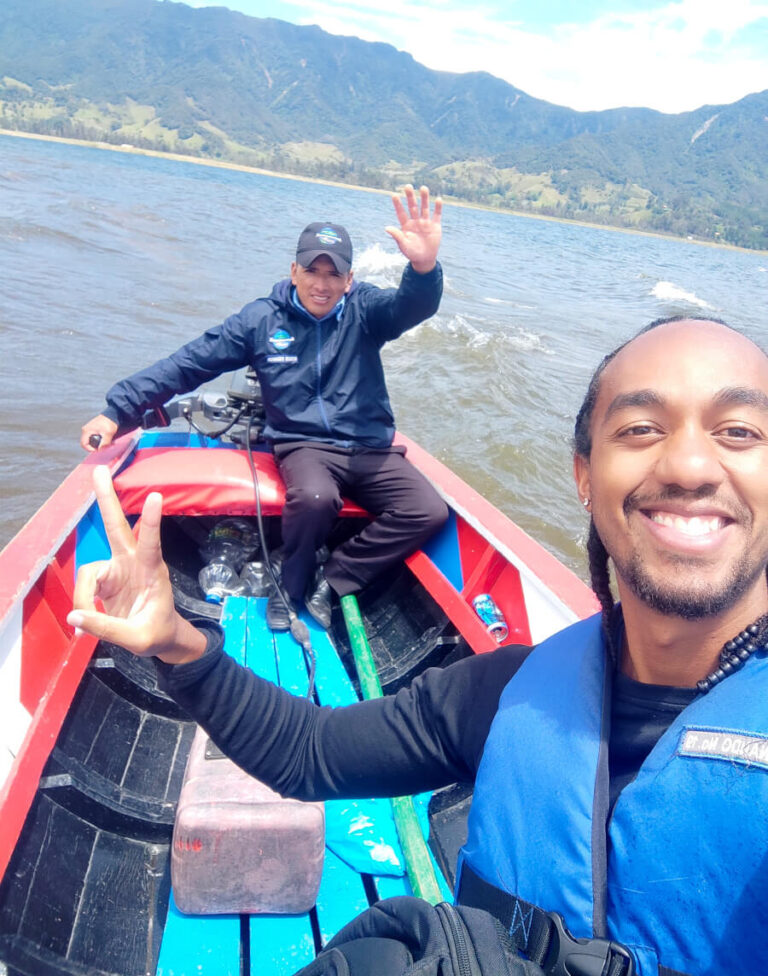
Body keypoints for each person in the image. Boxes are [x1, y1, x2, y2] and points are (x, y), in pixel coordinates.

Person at [68, 316, 768, 976]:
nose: (687, 465)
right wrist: (177, 643)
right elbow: (312, 752)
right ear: (585, 477)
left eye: (738, 432)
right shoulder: (508, 694)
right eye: (641, 428)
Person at [80, 185, 448, 631]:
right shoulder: (261, 320)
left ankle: (331, 580)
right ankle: (288, 589)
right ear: (294, 271)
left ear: (349, 281)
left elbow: (411, 306)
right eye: (313, 270)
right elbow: (189, 363)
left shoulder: (366, 311)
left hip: (370, 448)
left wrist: (423, 266)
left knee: (428, 511)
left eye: (334, 275)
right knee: (315, 498)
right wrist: (118, 410)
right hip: (306, 446)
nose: (322, 283)